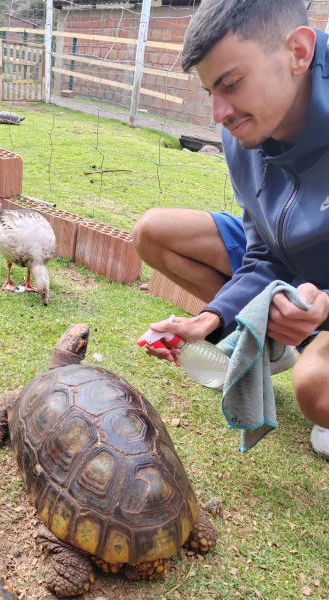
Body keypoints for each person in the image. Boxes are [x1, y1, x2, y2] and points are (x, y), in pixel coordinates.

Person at [132, 0, 329, 459]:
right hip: (291, 267)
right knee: (152, 231)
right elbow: (262, 255)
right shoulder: (243, 129)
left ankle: (309, 344)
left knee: (316, 388)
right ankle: (267, 340)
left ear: (298, 52)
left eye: (232, 84)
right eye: (209, 92)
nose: (218, 113)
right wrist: (212, 319)